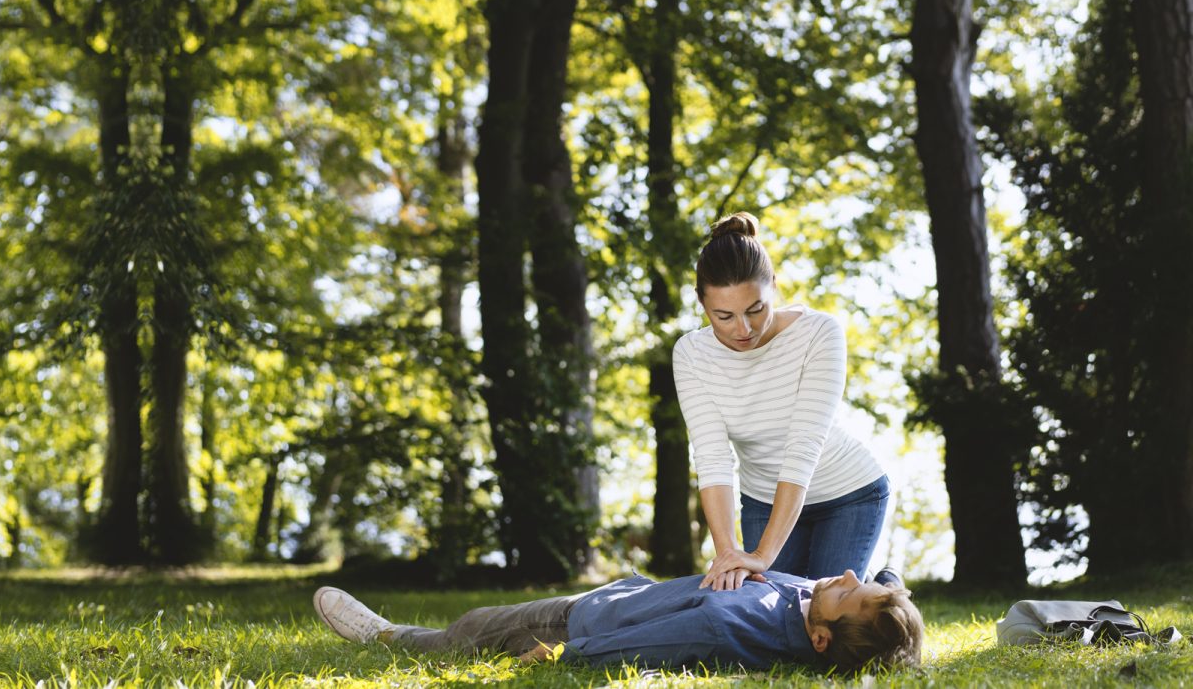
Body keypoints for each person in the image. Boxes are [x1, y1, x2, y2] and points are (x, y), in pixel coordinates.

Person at [674, 212, 889, 591]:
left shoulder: (819, 333)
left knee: (821, 617)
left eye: (755, 309)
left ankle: (882, 584)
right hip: (763, 500)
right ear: (701, 304)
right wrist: (728, 555)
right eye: (724, 316)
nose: (743, 330)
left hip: (848, 494)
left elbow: (802, 446)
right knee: (769, 613)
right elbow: (712, 458)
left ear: (773, 285)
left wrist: (761, 556)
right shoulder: (692, 354)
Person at [313, 569, 923, 673]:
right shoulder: (801, 611)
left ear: (820, 638)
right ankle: (403, 635)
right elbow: (881, 593)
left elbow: (655, 645)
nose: (844, 576)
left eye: (850, 592)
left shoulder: (733, 628)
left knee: (472, 630)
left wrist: (567, 656)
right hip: (616, 597)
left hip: (575, 625)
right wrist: (890, 592)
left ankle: (389, 636)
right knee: (478, 626)